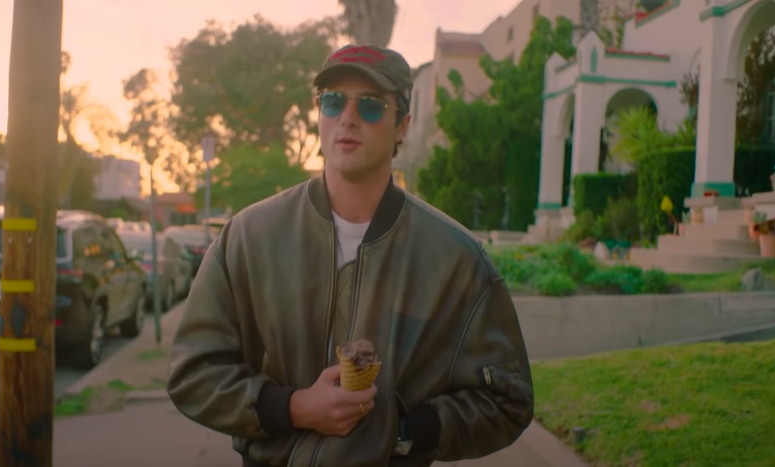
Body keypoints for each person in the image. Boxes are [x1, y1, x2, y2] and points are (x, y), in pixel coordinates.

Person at [167, 44, 533, 467]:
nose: (348, 117)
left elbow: (508, 399)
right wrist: (292, 407)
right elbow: (193, 371)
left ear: (402, 126)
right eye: (333, 101)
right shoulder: (248, 238)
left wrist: (404, 430)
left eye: (373, 105)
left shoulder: (455, 259)